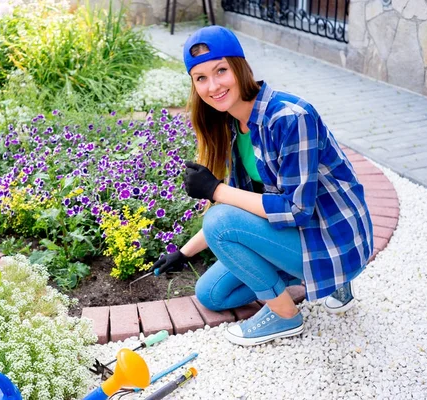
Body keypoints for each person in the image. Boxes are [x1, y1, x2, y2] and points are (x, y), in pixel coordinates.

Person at [149, 26, 373, 346]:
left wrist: (214, 190)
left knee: (218, 219)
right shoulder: (230, 125)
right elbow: (244, 203)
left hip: (333, 237)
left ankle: (286, 314)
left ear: (240, 67)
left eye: (221, 71)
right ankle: (318, 277)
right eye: (200, 78)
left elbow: (295, 209)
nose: (213, 86)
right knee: (212, 293)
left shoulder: (291, 117)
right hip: (299, 237)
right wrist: (182, 253)